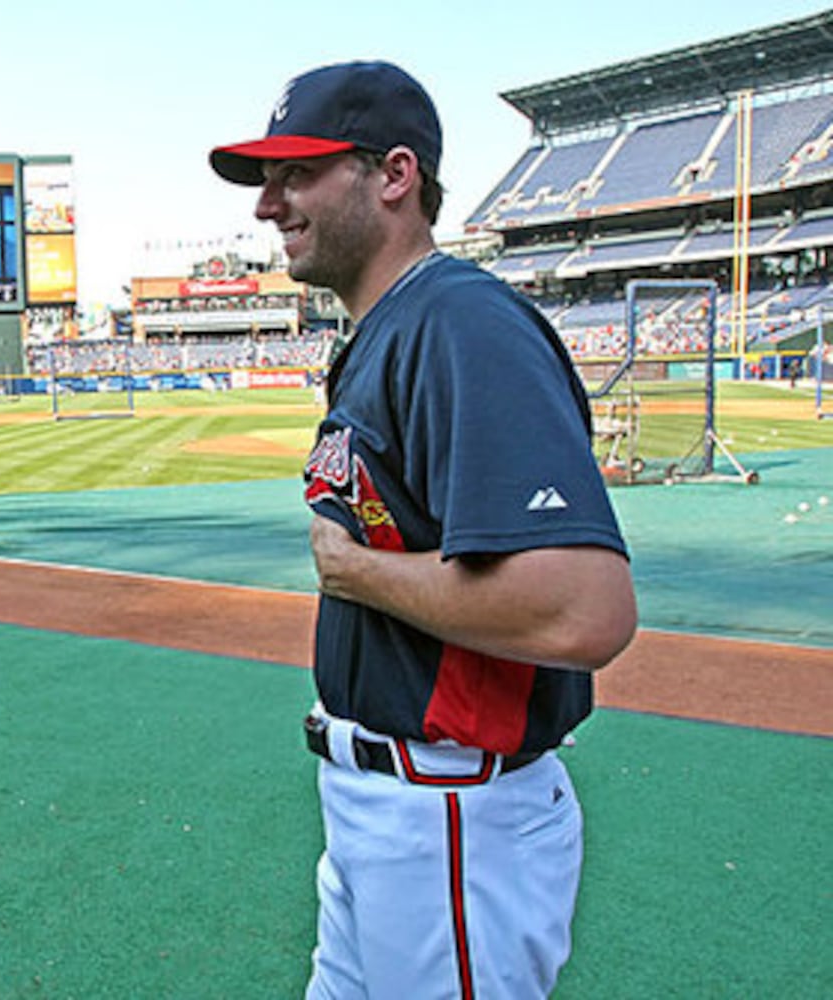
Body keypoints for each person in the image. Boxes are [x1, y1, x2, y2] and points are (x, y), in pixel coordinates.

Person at [210, 62, 638, 998]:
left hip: (451, 811)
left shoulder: (460, 323)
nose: (267, 205)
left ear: (394, 176)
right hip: (387, 805)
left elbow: (584, 611)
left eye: (297, 174)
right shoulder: (388, 328)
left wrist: (357, 575)